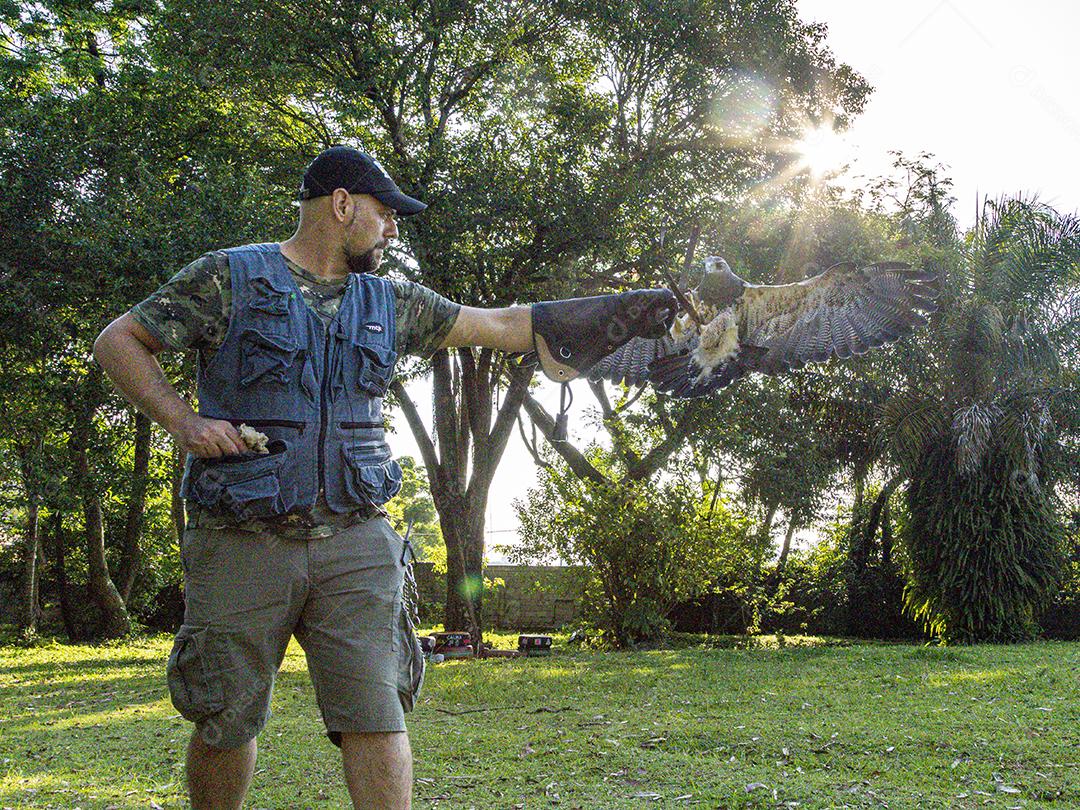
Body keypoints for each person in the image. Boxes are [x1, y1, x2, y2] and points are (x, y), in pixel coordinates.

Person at [93, 145, 674, 809]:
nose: (393, 227)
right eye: (385, 212)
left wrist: (626, 313)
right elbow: (119, 340)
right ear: (341, 206)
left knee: (377, 710)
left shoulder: (391, 299)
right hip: (241, 538)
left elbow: (503, 323)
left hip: (357, 540)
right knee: (226, 717)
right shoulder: (229, 277)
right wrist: (183, 421)